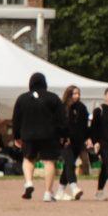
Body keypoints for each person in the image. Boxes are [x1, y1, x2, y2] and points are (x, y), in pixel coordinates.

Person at [13, 71, 62, 201]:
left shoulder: (22, 98)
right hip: (49, 135)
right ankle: (48, 192)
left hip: (28, 135)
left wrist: (16, 135)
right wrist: (63, 134)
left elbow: (16, 119)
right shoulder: (53, 98)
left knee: (28, 159)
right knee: (48, 161)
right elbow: (61, 118)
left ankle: (29, 182)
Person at [61, 85, 93, 199]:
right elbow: (60, 124)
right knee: (70, 163)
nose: (77, 96)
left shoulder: (81, 108)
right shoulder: (62, 107)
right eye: (75, 93)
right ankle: (74, 187)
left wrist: (88, 138)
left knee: (67, 166)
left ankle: (60, 191)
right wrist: (64, 136)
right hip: (65, 142)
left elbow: (85, 126)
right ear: (69, 94)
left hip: (77, 141)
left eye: (78, 94)